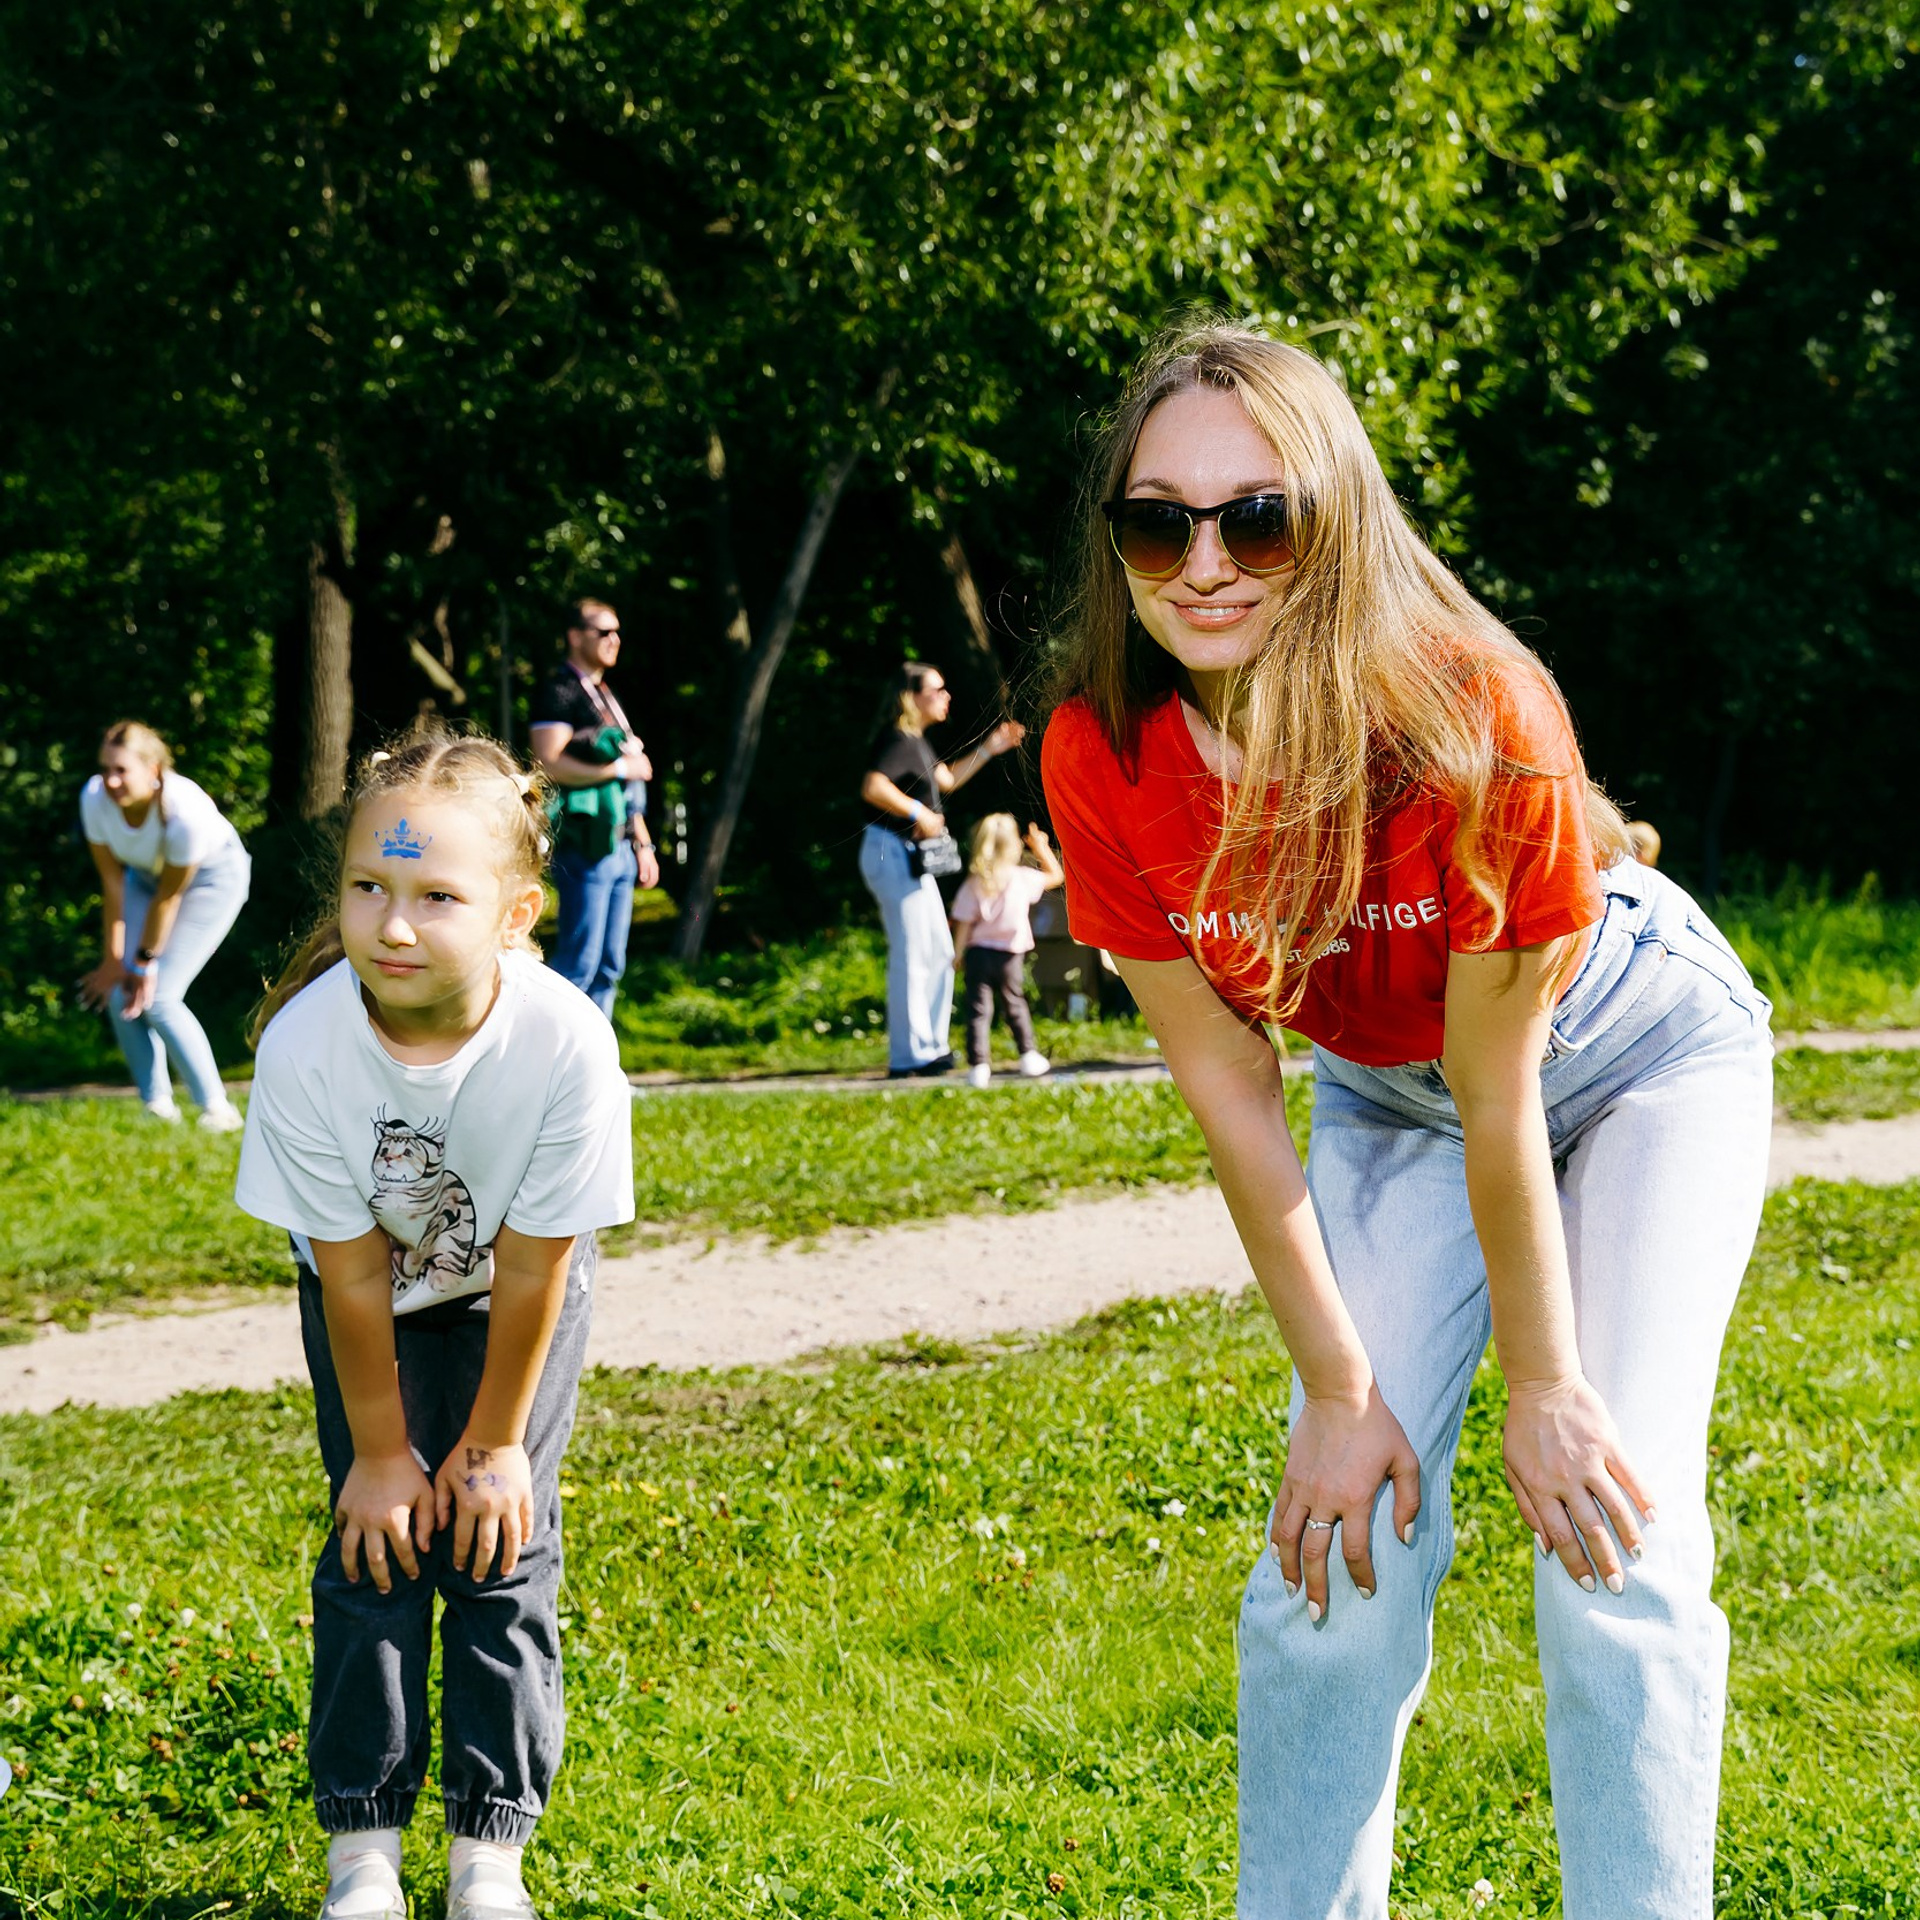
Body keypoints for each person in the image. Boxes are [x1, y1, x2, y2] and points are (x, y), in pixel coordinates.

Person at [1040, 322, 1772, 1920]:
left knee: (1616, 1533)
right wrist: (1335, 1388)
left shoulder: (1474, 713)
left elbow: (1504, 1093)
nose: (1207, 564)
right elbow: (1234, 1089)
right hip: (1392, 1099)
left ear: (1340, 520)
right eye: (1159, 521)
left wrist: (1547, 1386)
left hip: (1639, 1056)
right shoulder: (1103, 752)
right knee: (1331, 1548)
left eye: (1262, 517)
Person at [235, 732, 634, 1920]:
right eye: (369, 887)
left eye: (435, 897)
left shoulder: (568, 1046)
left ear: (516, 914)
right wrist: (377, 1453)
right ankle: (363, 1847)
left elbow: (535, 1267)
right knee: (378, 1543)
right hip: (369, 1305)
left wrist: (497, 1443)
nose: (392, 925)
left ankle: (487, 1851)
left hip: (518, 1295)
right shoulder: (306, 1046)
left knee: (497, 1544)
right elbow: (351, 1278)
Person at [76, 720, 250, 1129]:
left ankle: (218, 1110)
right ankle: (157, 1106)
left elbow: (169, 898)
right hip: (144, 877)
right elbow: (113, 882)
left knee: (160, 996)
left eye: (122, 770)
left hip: (213, 879)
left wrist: (142, 961)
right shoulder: (95, 798)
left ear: (154, 770)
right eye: (106, 769)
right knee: (123, 992)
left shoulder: (184, 812)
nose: (111, 780)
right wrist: (115, 959)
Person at [858, 662, 1024, 1077]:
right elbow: (873, 786)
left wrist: (990, 748)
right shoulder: (898, 739)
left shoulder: (916, 743)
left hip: (908, 859)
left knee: (939, 950)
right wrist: (918, 811)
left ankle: (930, 1048)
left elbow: (946, 780)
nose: (946, 695)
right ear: (911, 697)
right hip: (891, 852)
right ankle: (908, 1056)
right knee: (913, 953)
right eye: (937, 689)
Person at [528, 598, 659, 1017]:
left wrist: (644, 845)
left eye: (617, 631)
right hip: (586, 846)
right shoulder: (560, 690)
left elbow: (626, 786)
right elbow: (549, 762)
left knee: (609, 966)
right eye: (603, 632)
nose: (614, 640)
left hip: (621, 846)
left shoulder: (604, 693)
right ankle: (553, 1066)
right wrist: (622, 765)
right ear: (574, 636)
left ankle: (596, 1071)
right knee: (579, 965)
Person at [950, 815, 1062, 1088]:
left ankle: (979, 1066)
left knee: (978, 1010)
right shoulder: (1022, 878)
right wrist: (1041, 847)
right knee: (1015, 1004)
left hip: (978, 954)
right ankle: (1028, 1055)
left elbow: (963, 922)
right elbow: (1057, 876)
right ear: (1014, 846)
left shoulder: (976, 882)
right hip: (1010, 955)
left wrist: (957, 953)